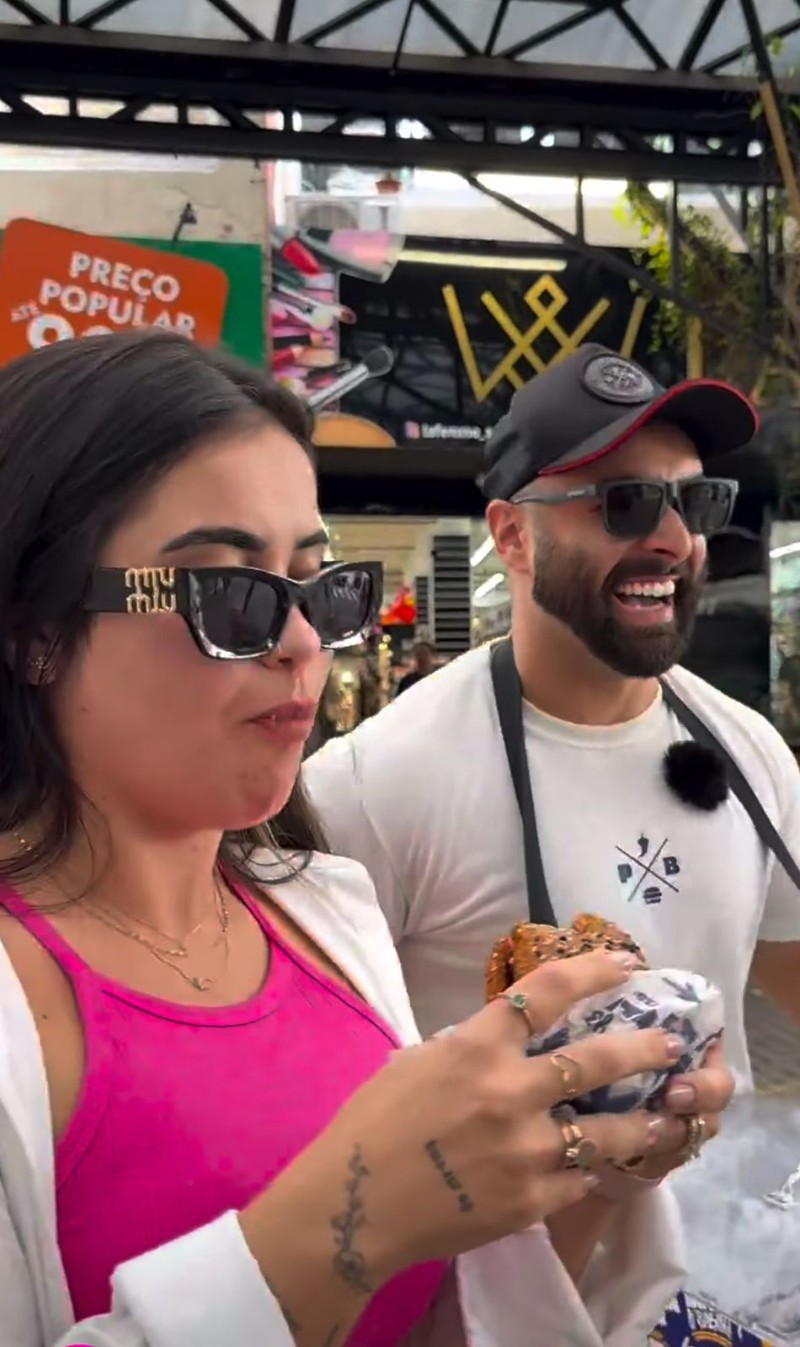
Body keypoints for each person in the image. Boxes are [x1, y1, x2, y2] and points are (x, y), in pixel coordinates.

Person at [0, 331, 713, 1347]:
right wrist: (341, 1227)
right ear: (34, 630)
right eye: (228, 592)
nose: (302, 645)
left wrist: (590, 1156)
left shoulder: (323, 910)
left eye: (318, 588)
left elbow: (446, 1317)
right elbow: (364, 1239)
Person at [302, 342, 786, 1093]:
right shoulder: (374, 783)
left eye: (695, 502)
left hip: (730, 1171)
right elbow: (308, 1085)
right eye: (624, 502)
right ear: (512, 536)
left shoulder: (750, 752)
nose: (674, 539)